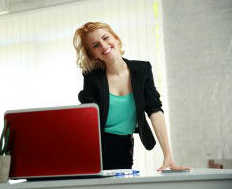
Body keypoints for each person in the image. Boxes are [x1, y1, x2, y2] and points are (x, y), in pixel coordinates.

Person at [73, 22, 190, 171]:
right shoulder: (92, 78)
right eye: (95, 45)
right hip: (94, 147)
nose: (103, 45)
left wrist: (168, 155)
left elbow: (154, 110)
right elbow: (86, 115)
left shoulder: (142, 70)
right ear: (93, 55)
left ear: (116, 39)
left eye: (105, 37)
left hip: (123, 146)